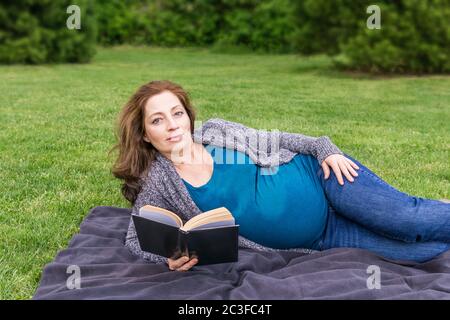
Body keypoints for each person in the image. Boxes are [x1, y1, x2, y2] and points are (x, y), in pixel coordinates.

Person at [112, 80, 450, 272]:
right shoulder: (159, 182)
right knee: (416, 255)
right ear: (144, 134)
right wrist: (171, 256)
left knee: (409, 220)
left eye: (177, 113)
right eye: (158, 120)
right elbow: (133, 240)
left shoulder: (215, 133)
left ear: (188, 116)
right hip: (323, 238)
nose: (172, 125)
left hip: (326, 179)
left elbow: (277, 139)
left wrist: (325, 149)